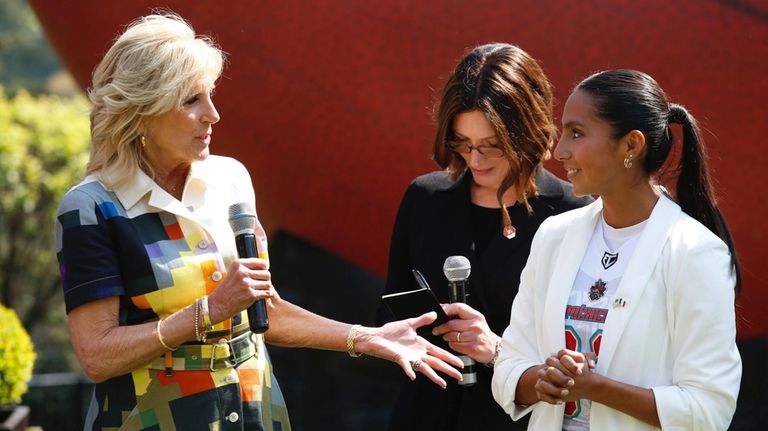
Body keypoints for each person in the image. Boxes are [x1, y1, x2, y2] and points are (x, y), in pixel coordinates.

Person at [54, 13, 463, 431]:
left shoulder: (230, 179)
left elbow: (264, 311)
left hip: (256, 410)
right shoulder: (92, 208)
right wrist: (210, 309)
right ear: (144, 109)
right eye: (191, 101)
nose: (213, 114)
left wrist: (364, 337)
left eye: (210, 96)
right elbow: (97, 356)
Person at [491, 69, 742, 430]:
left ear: (631, 145)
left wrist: (597, 388)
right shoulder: (554, 236)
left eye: (576, 133)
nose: (559, 150)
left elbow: (708, 409)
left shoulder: (695, 253)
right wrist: (543, 380)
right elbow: (510, 366)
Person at [376, 43, 592, 431]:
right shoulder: (426, 198)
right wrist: (411, 330)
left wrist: (494, 347)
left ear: (529, 130)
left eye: (492, 146)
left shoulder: (576, 214)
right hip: (425, 415)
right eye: (463, 143)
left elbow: (582, 349)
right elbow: (387, 310)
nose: (475, 160)